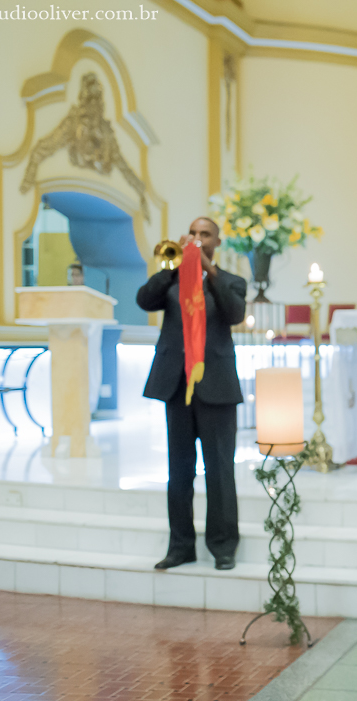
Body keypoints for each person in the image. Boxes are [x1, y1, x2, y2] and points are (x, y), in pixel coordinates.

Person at [136, 217, 248, 571]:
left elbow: (235, 312)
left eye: (205, 234)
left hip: (216, 386)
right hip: (177, 386)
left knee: (220, 471)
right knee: (179, 471)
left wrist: (207, 270)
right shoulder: (171, 280)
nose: (198, 239)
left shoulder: (231, 281)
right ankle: (181, 546)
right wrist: (173, 268)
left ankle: (223, 546)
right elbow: (144, 300)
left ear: (217, 242)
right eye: (194, 233)